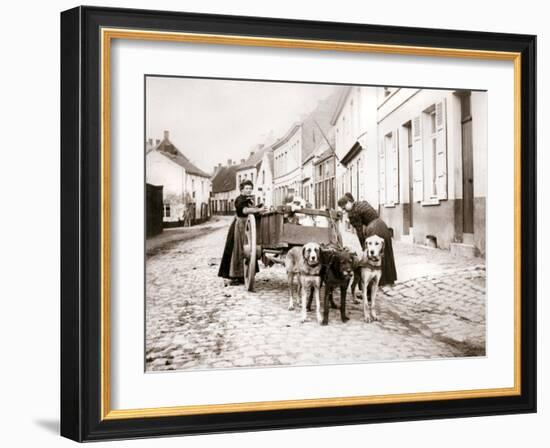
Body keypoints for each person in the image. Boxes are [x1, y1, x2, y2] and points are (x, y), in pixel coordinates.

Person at [337, 192, 397, 286]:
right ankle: (388, 279)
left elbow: (359, 232)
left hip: (374, 229)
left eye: (344, 208)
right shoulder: (362, 203)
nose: (344, 211)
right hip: (382, 225)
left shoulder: (353, 213)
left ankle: (378, 281)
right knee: (385, 252)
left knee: (372, 255)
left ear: (349, 202)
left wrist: (364, 247)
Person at [218, 180, 265, 285]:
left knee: (248, 247)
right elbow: (244, 211)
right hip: (240, 226)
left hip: (247, 225)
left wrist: (258, 208)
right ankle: (236, 275)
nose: (248, 190)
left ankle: (245, 273)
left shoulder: (249, 200)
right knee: (239, 248)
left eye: (250, 188)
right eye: (246, 188)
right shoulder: (239, 199)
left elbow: (251, 210)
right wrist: (257, 210)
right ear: (242, 189)